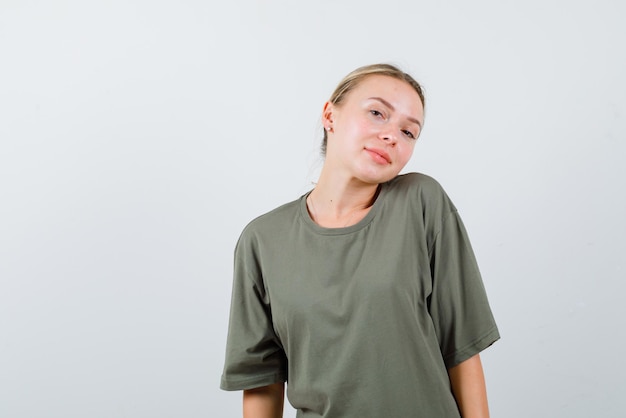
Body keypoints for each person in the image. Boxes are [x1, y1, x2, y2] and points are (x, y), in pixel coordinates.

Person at [220, 63, 500, 417]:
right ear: (330, 115)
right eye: (377, 113)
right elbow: (262, 381)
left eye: (409, 132)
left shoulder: (421, 202)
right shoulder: (261, 240)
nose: (392, 135)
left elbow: (462, 349)